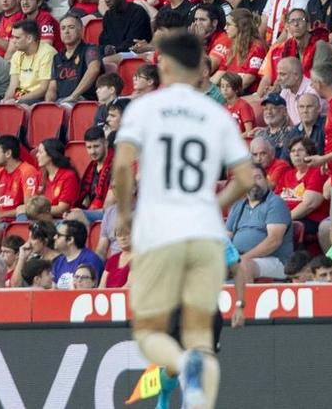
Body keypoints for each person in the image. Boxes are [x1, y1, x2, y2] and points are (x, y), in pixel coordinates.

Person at [112, 29, 252, 409]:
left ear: (164, 64)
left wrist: (125, 214)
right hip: (206, 235)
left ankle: (179, 364)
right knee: (202, 343)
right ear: (200, 69)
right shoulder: (216, 113)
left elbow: (122, 167)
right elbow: (246, 178)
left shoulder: (144, 108)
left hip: (162, 232)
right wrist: (213, 203)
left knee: (149, 335)